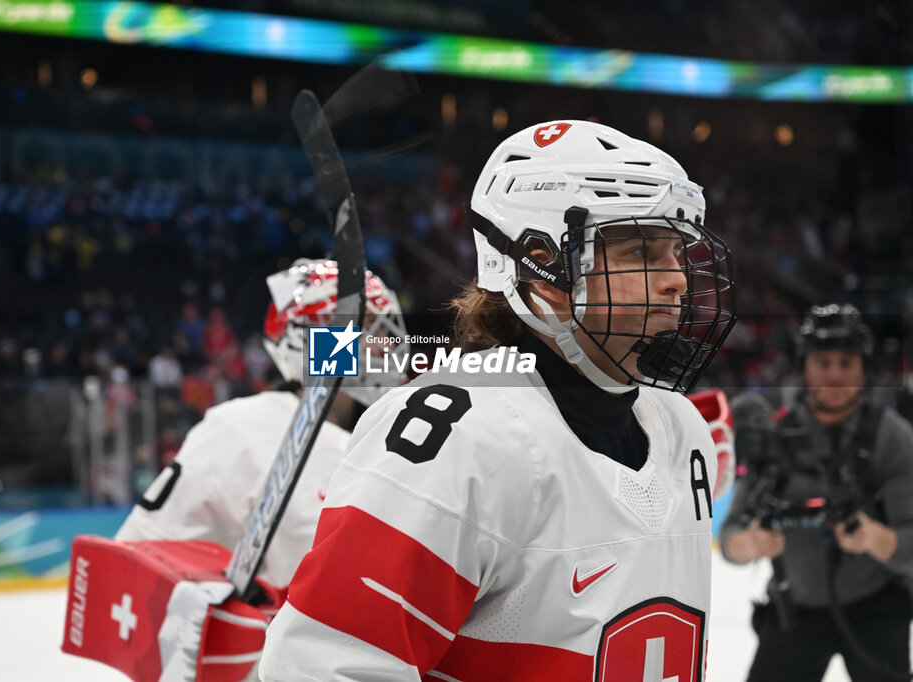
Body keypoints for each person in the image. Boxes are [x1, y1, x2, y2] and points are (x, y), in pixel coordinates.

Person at [259, 120, 736, 681]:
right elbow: (325, 668)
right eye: (640, 250)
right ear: (543, 264)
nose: (678, 280)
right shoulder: (456, 434)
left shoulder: (679, 425)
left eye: (676, 252)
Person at [117, 257, 408, 589]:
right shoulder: (240, 429)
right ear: (317, 339)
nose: (387, 345)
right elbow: (133, 555)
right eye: (370, 327)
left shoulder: (386, 437)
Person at [720, 303, 913, 682]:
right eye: (823, 363)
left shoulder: (892, 437)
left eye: (847, 363)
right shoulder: (773, 435)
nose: (835, 374)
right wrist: (752, 543)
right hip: (794, 607)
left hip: (876, 608)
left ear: (864, 369)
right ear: (804, 367)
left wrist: (875, 537)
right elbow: (730, 537)